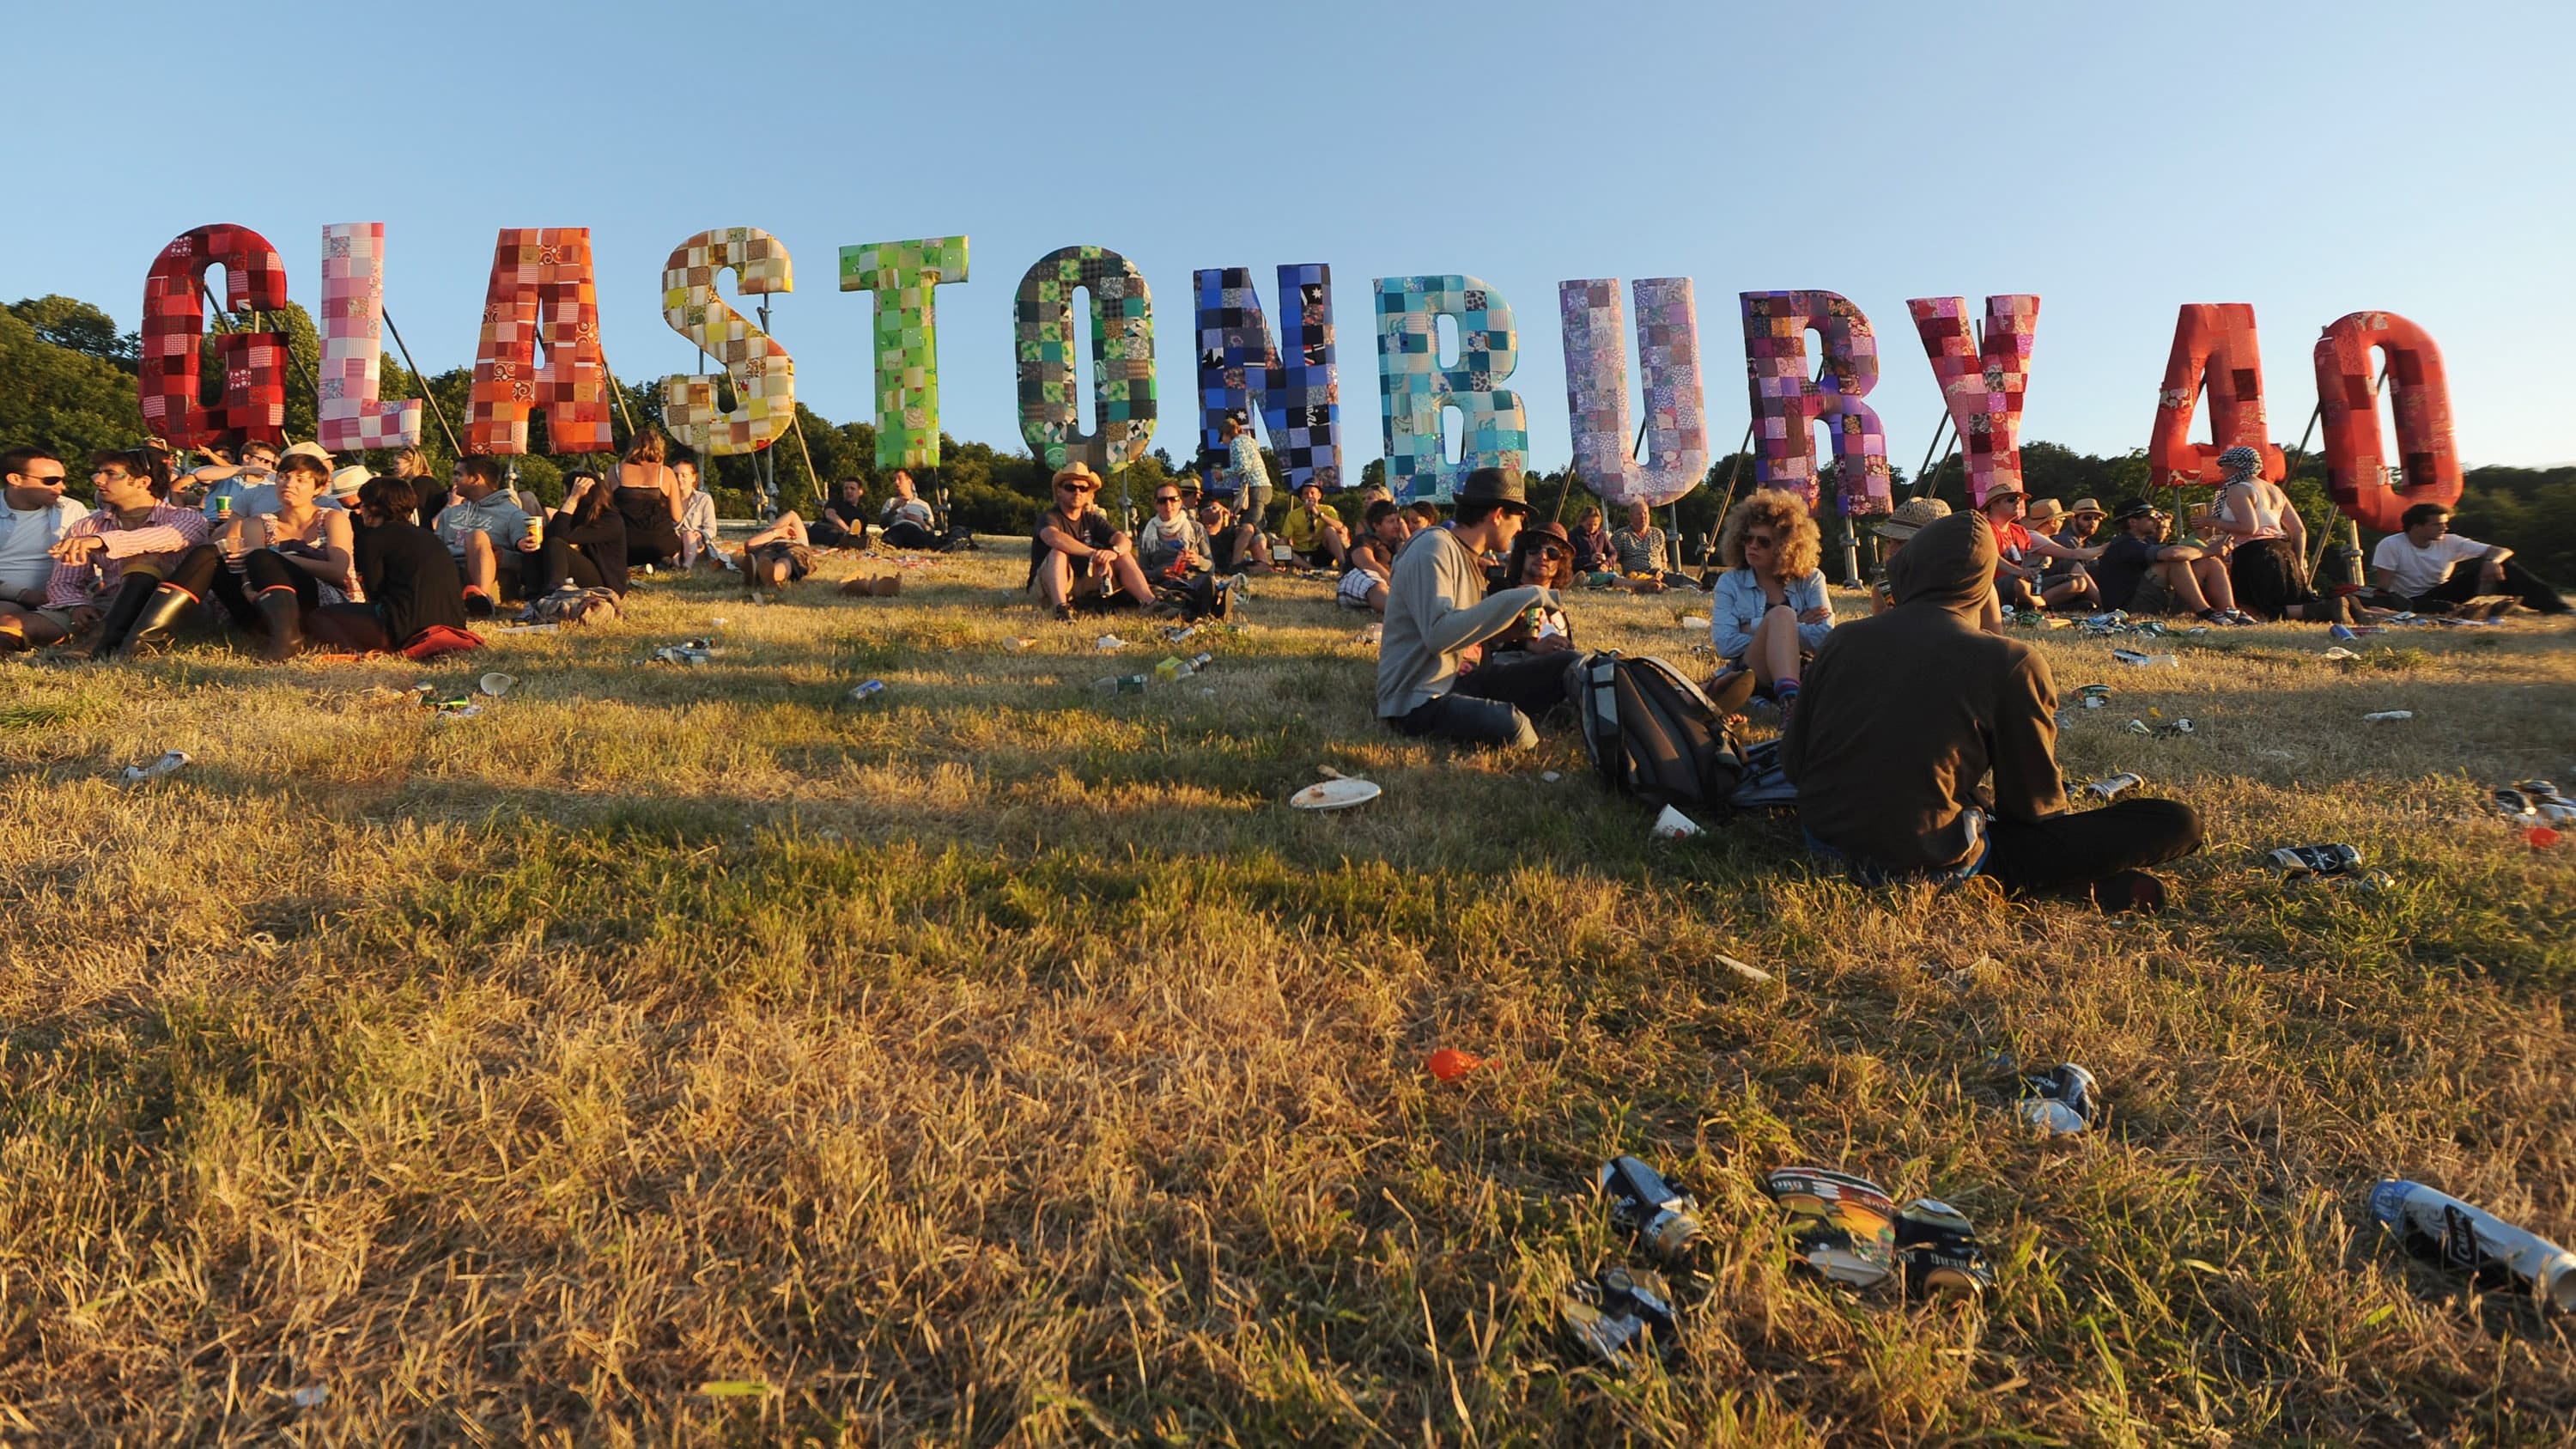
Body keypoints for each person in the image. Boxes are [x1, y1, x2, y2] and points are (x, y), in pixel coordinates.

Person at [1784, 511, 2203, 911]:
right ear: (1983, 583)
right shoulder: (2009, 660)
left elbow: (1794, 761)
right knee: (2176, 822)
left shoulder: (1843, 639)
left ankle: (2063, 878)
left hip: (1822, 839)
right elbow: (2031, 806)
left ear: (1906, 567)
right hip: (1925, 856)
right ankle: (2051, 878)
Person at [1376, 467, 1564, 750]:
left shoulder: (1468, 558)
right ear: (1498, 514)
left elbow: (1462, 632)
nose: (1520, 528)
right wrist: (1524, 597)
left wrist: (1509, 633)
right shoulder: (1433, 547)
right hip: (1418, 698)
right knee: (1514, 726)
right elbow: (1439, 635)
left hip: (1459, 680)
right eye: (1519, 518)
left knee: (1569, 666)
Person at [168, 449, 358, 661]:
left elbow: (337, 571)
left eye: (301, 479)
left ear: (319, 489)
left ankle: (286, 640)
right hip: (261, 603)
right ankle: (145, 635)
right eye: (283, 477)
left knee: (262, 556)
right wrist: (248, 586)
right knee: (208, 554)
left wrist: (282, 558)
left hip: (319, 604)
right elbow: (250, 569)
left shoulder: (331, 518)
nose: (289, 484)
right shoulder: (258, 522)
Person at [43, 447, 210, 660]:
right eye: (99, 472)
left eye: (111, 474)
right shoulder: (86, 526)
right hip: (110, 604)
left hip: (173, 610)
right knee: (25, 624)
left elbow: (165, 538)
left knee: (146, 558)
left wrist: (101, 541)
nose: (98, 480)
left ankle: (100, 642)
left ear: (142, 482)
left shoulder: (186, 518)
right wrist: (76, 605)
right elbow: (64, 581)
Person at [1707, 490, 1834, 716]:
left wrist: (1755, 627)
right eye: (1748, 538)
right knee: (1782, 615)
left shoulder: (1812, 579)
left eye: (1763, 542)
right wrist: (1780, 625)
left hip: (1803, 668)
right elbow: (1725, 645)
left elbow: (1824, 637)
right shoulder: (1730, 583)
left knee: (1782, 618)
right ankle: (1790, 703)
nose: (1752, 546)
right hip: (1750, 673)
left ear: (1787, 546)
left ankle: (1788, 698)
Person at [309, 476, 470, 654]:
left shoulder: (376, 538)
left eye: (361, 504)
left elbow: (375, 592)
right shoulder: (427, 536)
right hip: (453, 624)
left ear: (374, 507)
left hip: (407, 627)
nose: (359, 511)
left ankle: (354, 652)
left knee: (320, 616)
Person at [2368, 502, 2568, 616]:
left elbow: (2502, 550)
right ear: (2416, 526)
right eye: (2438, 525)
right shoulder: (2391, 545)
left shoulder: (2450, 541)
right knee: (2440, 608)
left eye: (2445, 524)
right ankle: (2481, 611)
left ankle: (2556, 607)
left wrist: (2493, 562)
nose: (2444, 528)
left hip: (2443, 591)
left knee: (2506, 565)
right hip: (2409, 600)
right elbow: (2384, 585)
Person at [2208, 444, 2330, 621]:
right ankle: (2331, 608)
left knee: (2263, 608)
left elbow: (2249, 528)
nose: (2222, 472)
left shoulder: (2239, 489)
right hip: (2283, 550)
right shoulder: (2275, 490)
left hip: (2253, 553)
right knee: (2286, 602)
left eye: (2224, 466)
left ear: (2236, 466)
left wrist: (2212, 522)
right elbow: (2299, 530)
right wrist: (2297, 561)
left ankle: (2327, 610)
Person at [1031, 463, 1161, 619]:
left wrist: (1113, 553)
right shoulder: (1049, 517)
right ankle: (1061, 609)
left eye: (1083, 489)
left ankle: (1150, 603)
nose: (1077, 492)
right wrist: (1094, 553)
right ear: (1059, 491)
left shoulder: (1092, 519)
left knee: (1124, 556)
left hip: (1085, 580)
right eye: (1070, 487)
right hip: (1050, 584)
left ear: (1088, 494)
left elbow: (1123, 540)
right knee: (1058, 553)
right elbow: (1052, 537)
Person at [2090, 499, 2246, 624]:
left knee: (2210, 562)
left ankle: (2230, 611)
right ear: (2133, 522)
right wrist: (2209, 550)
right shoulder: (2124, 544)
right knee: (2175, 561)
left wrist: (2210, 554)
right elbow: (2173, 554)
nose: (2156, 520)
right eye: (2150, 516)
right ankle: (2207, 612)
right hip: (2129, 608)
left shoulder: (2146, 541)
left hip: (2151, 599)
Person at [0, 447, 91, 650]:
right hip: (8, 598)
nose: (62, 487)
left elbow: (91, 563)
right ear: (15, 479)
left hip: (60, 602)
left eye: (62, 479)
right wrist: (20, 594)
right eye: (50, 481)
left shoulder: (72, 509)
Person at [434, 456, 532, 617]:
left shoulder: (513, 515)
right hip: (448, 571)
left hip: (487, 574)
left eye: (458, 474)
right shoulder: (451, 513)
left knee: (476, 536)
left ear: (476, 479)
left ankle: (481, 601)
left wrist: (504, 557)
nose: (453, 479)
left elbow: (529, 561)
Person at [524, 468, 629, 597]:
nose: (564, 500)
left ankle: (553, 592)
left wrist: (573, 499)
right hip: (581, 571)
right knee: (536, 543)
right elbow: (551, 534)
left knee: (555, 543)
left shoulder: (610, 520)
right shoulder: (575, 515)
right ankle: (533, 595)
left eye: (566, 494)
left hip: (605, 582)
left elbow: (559, 537)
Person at [1484, 521, 1577, 654]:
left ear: (1561, 563)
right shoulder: (1503, 590)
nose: (1543, 556)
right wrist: (1529, 645)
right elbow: (1486, 639)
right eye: (1534, 549)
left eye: (1553, 553)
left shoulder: (1557, 608)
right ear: (1522, 555)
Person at [613, 429, 685, 572]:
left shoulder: (615, 471)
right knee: (674, 542)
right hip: (660, 542)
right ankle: (663, 560)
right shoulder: (666, 473)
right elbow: (677, 516)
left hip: (625, 543)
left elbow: (604, 508)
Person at [2021, 498, 2102, 611]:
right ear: (2053, 521)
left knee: (2081, 580)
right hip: (2033, 581)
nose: (2093, 522)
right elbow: (2071, 555)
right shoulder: (2036, 537)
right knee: (2072, 568)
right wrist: (2107, 547)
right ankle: (2104, 605)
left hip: (2038, 580)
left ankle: (2053, 607)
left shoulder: (2043, 537)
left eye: (2097, 518)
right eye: (2062, 519)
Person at [1609, 501, 1692, 588]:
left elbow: (1663, 560)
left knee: (1685, 580)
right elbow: (1611, 560)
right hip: (1637, 576)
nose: (1643, 517)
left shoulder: (1658, 533)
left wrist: (1661, 572)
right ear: (1630, 517)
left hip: (1659, 575)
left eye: (1645, 513)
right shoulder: (1621, 536)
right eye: (1639, 514)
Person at [1137, 481, 1212, 576]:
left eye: (1173, 499)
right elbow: (1142, 573)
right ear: (1155, 505)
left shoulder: (1196, 529)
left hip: (1193, 582)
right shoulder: (1147, 535)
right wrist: (1159, 573)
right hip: (1162, 586)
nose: (1168, 504)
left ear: (1180, 502)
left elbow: (1211, 567)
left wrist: (1198, 561)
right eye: (1162, 501)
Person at [1224, 412, 1273, 548]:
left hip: (1255, 487)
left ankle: (1243, 561)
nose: (1223, 442)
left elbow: (1242, 467)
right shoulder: (1250, 441)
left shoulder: (1236, 443)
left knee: (1249, 526)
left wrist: (1223, 474)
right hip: (1265, 486)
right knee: (1255, 525)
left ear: (1227, 434)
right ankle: (1261, 556)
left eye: (1223, 438)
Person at [739, 510, 816, 590]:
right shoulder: (772, 534)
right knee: (763, 557)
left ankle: (770, 575)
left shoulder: (799, 537)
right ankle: (759, 574)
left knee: (789, 558)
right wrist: (777, 532)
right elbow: (749, 545)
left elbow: (792, 515)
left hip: (793, 546)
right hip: (768, 547)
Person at [1279, 481, 1349, 568]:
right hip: (1301, 552)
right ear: (1301, 497)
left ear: (1319, 496)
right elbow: (1285, 537)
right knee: (1280, 547)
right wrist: (1281, 545)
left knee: (1329, 530)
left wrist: (1319, 515)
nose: (1309, 496)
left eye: (1313, 493)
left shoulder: (1328, 510)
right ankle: (1309, 567)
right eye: (1306, 494)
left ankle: (1343, 564)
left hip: (1321, 551)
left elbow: (1339, 526)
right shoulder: (1293, 515)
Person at [673, 460, 723, 569]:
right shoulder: (666, 500)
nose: (679, 479)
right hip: (673, 541)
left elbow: (711, 529)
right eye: (676, 475)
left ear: (694, 478)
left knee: (689, 535)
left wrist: (700, 534)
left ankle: (687, 565)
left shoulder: (704, 499)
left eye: (684, 475)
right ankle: (675, 564)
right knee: (675, 535)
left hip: (696, 543)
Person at [879, 471, 942, 549]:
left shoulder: (923, 505)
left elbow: (931, 532)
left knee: (919, 535)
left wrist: (919, 521)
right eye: (894, 480)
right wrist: (894, 509)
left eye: (900, 479)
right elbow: (882, 525)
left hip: (916, 531)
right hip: (896, 531)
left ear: (909, 482)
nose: (896, 482)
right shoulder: (891, 502)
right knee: (894, 532)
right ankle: (888, 546)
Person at [389, 446, 448, 527]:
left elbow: (416, 513)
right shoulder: (424, 481)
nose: (394, 467)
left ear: (411, 463)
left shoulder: (421, 482)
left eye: (397, 463)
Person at [811, 475, 872, 549]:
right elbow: (830, 514)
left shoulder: (862, 516)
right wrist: (848, 530)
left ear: (860, 492)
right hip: (825, 530)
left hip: (843, 538)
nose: (848, 491)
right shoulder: (835, 502)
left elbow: (860, 535)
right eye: (846, 488)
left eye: (852, 489)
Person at [1569, 505, 1612, 575]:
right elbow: (1569, 560)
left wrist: (1607, 564)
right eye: (1589, 525)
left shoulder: (1602, 535)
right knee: (1611, 577)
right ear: (1581, 522)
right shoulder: (1573, 536)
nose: (1592, 528)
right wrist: (1590, 559)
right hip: (1582, 573)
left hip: (1600, 571)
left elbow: (1613, 553)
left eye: (1595, 525)